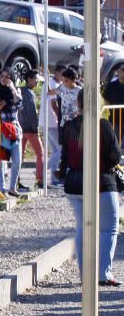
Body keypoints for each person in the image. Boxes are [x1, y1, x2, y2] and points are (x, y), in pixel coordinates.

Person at [59, 89, 122, 286]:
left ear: (78, 104)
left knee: (82, 228)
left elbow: (66, 158)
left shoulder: (69, 126)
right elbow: (114, 156)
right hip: (102, 182)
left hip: (75, 184)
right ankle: (103, 274)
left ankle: (85, 274)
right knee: (109, 227)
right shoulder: (103, 125)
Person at [0, 70, 24, 196]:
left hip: (14, 128)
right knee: (1, 160)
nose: (4, 79)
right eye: (2, 76)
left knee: (17, 159)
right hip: (0, 128)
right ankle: (2, 188)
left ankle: (12, 187)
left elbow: (20, 104)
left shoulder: (16, 90)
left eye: (7, 76)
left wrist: (13, 88)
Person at [19, 69, 45, 187]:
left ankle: (16, 180)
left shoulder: (21, 91)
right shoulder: (30, 93)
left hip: (20, 128)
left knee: (20, 155)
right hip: (30, 129)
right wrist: (35, 129)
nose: (37, 82)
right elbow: (32, 113)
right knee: (40, 153)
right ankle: (40, 179)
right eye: (36, 79)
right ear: (29, 79)